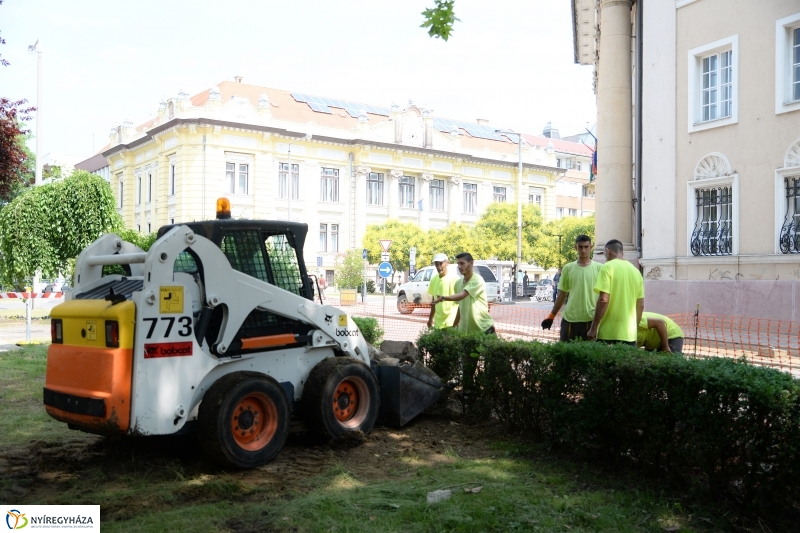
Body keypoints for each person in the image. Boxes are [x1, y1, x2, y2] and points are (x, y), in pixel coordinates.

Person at [541, 235, 602, 341]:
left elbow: (604, 297)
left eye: (586, 247)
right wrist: (551, 316)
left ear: (591, 247)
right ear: (576, 248)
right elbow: (562, 294)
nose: (583, 250)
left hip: (590, 320)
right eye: (580, 247)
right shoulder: (568, 268)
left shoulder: (600, 268)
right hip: (570, 319)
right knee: (565, 353)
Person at [587, 239, 645, 346]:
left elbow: (603, 300)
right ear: (622, 253)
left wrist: (593, 328)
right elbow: (640, 305)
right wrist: (634, 328)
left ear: (607, 251)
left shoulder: (607, 267)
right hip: (630, 335)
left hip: (609, 334)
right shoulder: (636, 272)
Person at [431, 252, 495, 335]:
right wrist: (454, 327)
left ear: (471, 263)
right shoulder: (458, 283)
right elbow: (460, 308)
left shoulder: (477, 280)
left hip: (483, 329)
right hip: (467, 331)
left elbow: (462, 295)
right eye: (458, 264)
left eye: (462, 263)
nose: (459, 267)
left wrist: (443, 298)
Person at [427, 253, 460, 329]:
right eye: (436, 264)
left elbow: (461, 302)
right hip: (438, 323)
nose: (438, 267)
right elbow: (433, 302)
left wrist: (457, 323)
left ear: (447, 263)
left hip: (452, 322)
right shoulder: (434, 279)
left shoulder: (455, 279)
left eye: (441, 263)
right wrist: (430, 319)